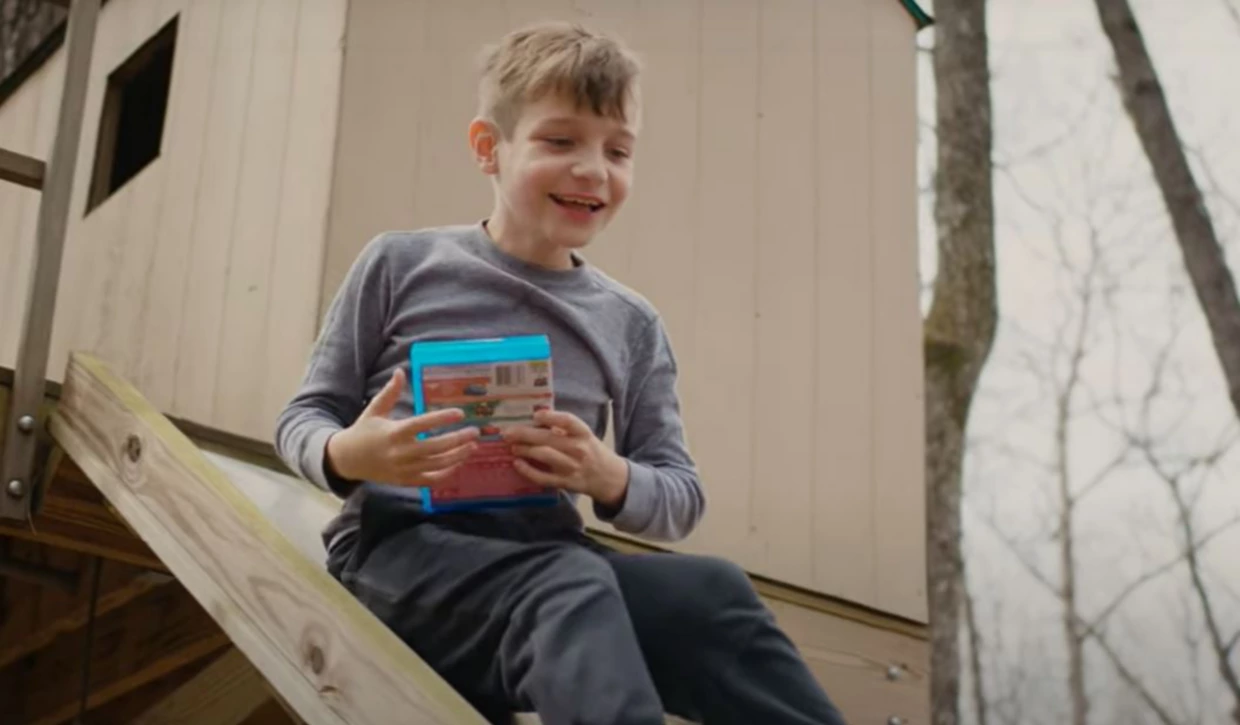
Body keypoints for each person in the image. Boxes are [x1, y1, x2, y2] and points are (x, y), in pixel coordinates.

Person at [274, 20, 847, 725]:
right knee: (567, 585)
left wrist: (605, 473)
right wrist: (351, 453)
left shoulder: (630, 323)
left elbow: (681, 492)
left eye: (619, 150)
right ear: (490, 148)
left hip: (547, 552)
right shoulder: (400, 265)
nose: (593, 169)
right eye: (560, 140)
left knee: (714, 591)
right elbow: (302, 418)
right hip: (397, 553)